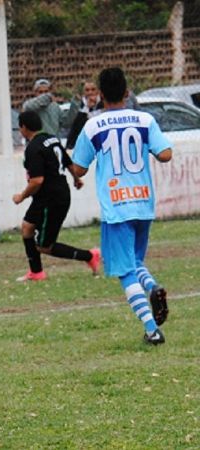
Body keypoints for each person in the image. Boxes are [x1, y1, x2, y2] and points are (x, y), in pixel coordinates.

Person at [71, 67, 172, 345]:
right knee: (135, 261)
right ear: (127, 92)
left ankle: (151, 329)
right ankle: (153, 287)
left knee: (125, 270)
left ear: (100, 96)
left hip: (116, 208)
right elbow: (165, 154)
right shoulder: (145, 119)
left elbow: (78, 169)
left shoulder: (93, 126)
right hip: (143, 203)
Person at [13, 110, 101, 281]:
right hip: (49, 196)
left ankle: (89, 256)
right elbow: (68, 162)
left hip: (51, 199)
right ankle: (36, 272)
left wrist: (21, 196)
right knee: (27, 228)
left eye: (19, 128)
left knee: (44, 246)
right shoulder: (51, 139)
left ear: (24, 127)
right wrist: (76, 179)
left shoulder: (33, 148)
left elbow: (37, 180)